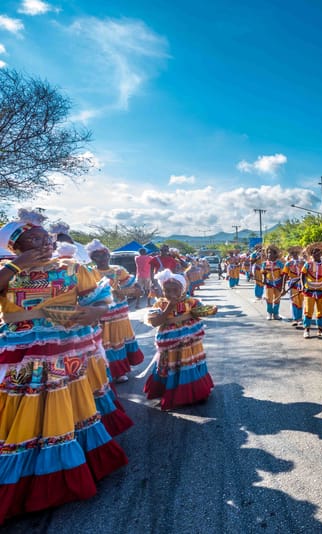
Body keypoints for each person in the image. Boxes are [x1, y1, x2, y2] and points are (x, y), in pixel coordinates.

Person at [0, 209, 128, 524]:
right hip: (25, 349)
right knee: (24, 402)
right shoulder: (7, 269)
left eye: (46, 238)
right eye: (33, 239)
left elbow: (100, 297)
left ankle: (71, 464)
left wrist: (94, 312)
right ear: (15, 247)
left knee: (66, 400)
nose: (44, 242)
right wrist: (18, 266)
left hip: (66, 344)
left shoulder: (71, 266)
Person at [143, 269, 216, 410]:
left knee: (188, 363)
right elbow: (154, 322)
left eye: (175, 290)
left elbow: (201, 311)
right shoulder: (160, 304)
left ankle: (194, 393)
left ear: (182, 289)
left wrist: (211, 310)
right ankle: (172, 392)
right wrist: (169, 306)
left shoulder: (191, 302)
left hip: (189, 342)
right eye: (167, 290)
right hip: (169, 344)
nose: (171, 294)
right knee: (171, 364)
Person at [86, 239, 145, 384]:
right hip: (101, 314)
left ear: (108, 254)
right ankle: (106, 373)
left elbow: (134, 286)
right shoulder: (89, 273)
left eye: (104, 254)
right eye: (97, 256)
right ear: (92, 258)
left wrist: (133, 290)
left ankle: (119, 372)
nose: (102, 258)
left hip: (119, 313)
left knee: (117, 341)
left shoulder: (118, 270)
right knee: (104, 343)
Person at [301, 242, 322, 339]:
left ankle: (320, 330)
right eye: (315, 252)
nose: (317, 254)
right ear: (312, 254)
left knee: (321, 311)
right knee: (308, 311)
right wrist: (302, 285)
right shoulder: (307, 264)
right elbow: (302, 275)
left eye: (319, 252)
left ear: (321, 253)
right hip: (309, 291)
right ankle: (306, 330)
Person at [282, 246, 305, 327]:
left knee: (300, 301)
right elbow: (284, 275)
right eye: (293, 253)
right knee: (294, 301)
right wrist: (283, 288)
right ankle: (295, 318)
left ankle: (299, 318)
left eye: (296, 253)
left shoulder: (303, 262)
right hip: (293, 284)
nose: (294, 254)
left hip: (301, 283)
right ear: (291, 254)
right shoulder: (288, 263)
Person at [261, 245, 284, 320]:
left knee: (277, 299)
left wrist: (282, 285)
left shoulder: (279, 263)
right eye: (268, 253)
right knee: (268, 298)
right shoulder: (265, 263)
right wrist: (264, 279)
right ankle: (269, 313)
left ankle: (276, 313)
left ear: (275, 254)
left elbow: (283, 275)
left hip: (278, 283)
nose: (269, 254)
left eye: (271, 253)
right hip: (269, 283)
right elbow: (263, 272)